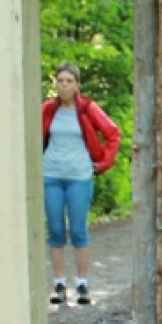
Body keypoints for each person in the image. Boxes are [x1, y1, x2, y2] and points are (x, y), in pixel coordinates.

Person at [40, 61, 120, 306]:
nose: (64, 86)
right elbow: (32, 135)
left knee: (78, 229)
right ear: (55, 83)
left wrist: (104, 163)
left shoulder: (87, 108)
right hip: (51, 174)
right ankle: (59, 283)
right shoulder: (46, 109)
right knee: (55, 229)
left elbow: (112, 133)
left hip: (79, 175)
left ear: (76, 85)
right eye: (60, 81)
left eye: (69, 81)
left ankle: (82, 283)